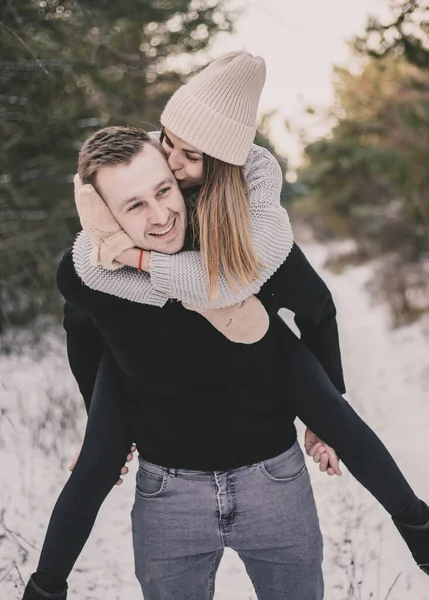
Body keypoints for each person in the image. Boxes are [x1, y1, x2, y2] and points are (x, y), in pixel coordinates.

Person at [23, 125, 429, 600]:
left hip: (272, 474)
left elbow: (317, 309)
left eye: (164, 191)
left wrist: (329, 402)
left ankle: (418, 528)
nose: (161, 217)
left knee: (309, 382)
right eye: (134, 205)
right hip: (167, 490)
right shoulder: (89, 274)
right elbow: (82, 332)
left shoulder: (241, 243)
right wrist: (100, 422)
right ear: (104, 215)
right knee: (95, 461)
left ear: (180, 179)